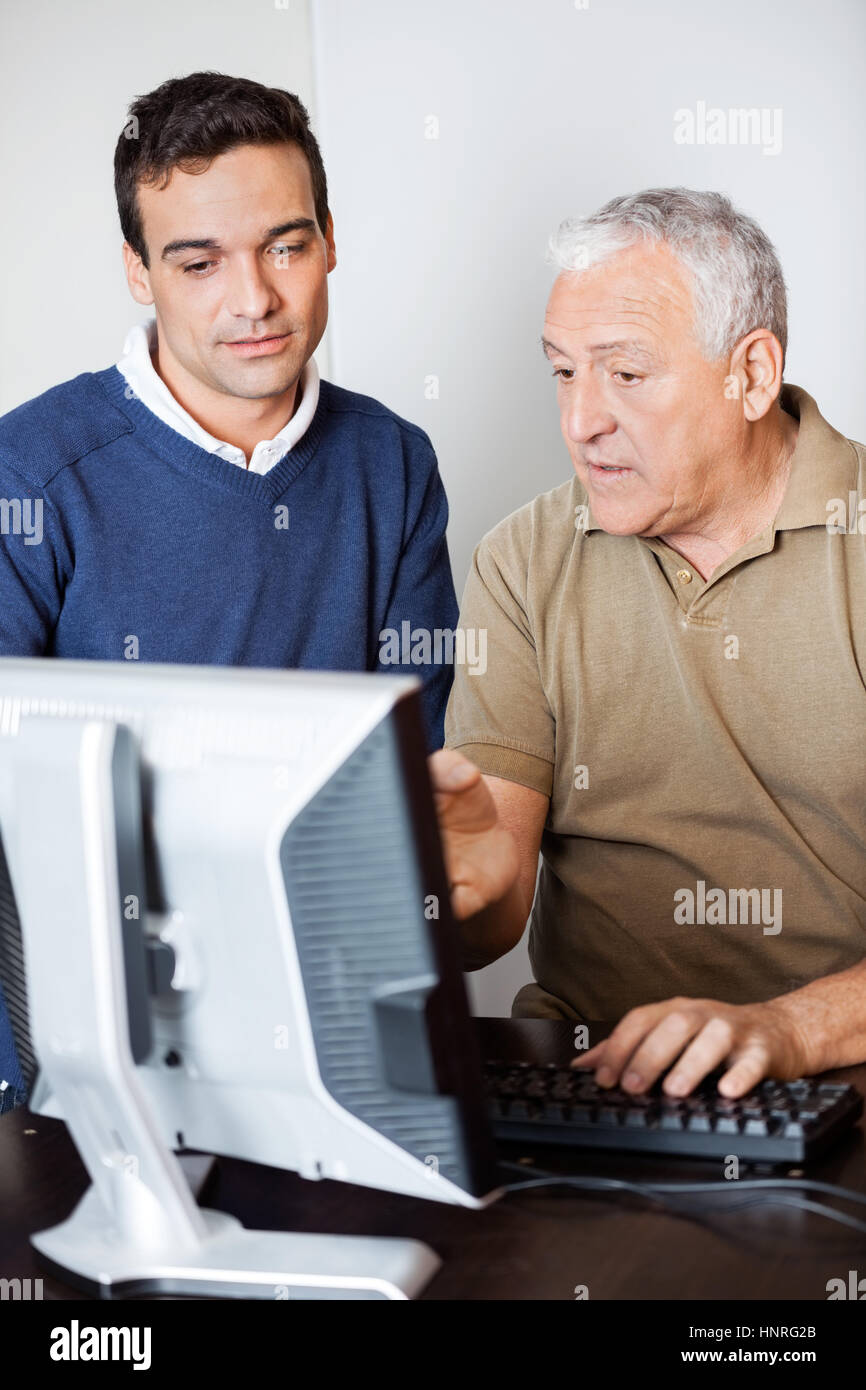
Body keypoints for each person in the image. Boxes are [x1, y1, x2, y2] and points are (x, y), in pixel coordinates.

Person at [0, 71, 459, 1103]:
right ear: (137, 271)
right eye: (198, 262)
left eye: (284, 247)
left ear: (329, 239)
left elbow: (400, 788)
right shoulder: (29, 473)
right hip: (90, 1057)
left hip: (331, 1040)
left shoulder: (392, 464)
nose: (253, 299)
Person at [432, 187, 866, 1100]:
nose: (580, 420)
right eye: (562, 372)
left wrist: (786, 1030)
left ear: (750, 375)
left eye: (625, 374)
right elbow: (491, 918)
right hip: (588, 1079)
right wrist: (457, 885)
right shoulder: (521, 560)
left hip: (838, 1074)